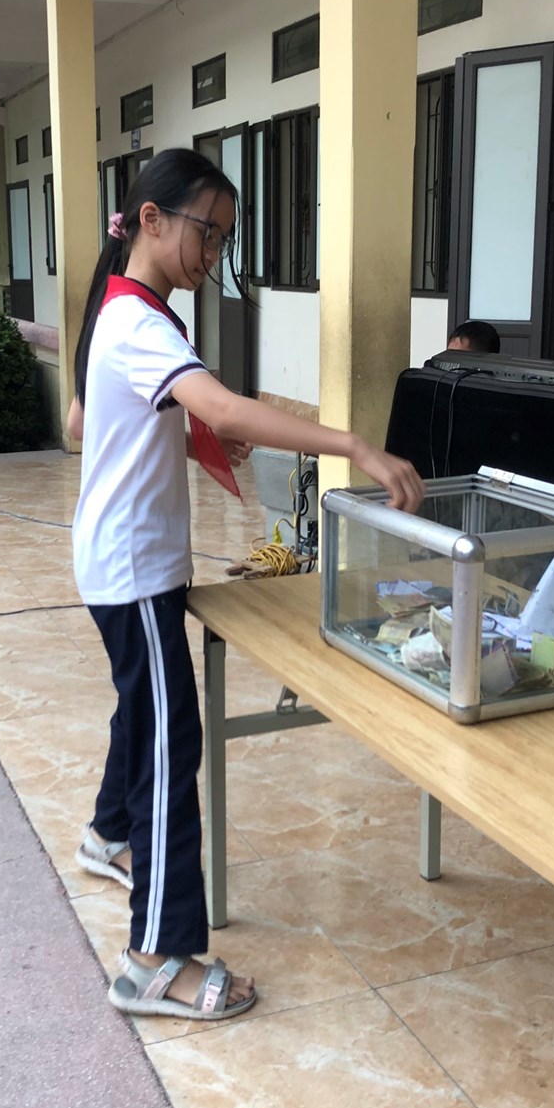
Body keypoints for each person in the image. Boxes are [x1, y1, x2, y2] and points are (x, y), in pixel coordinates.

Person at [67, 147, 425, 1021]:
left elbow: (85, 422)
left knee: (144, 713)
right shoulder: (139, 321)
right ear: (151, 219)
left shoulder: (124, 307)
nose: (214, 254)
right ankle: (155, 959)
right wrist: (354, 445)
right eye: (207, 231)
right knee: (170, 742)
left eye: (224, 238)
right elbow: (221, 406)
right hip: (132, 568)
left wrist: (186, 432)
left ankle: (109, 831)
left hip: (122, 561)